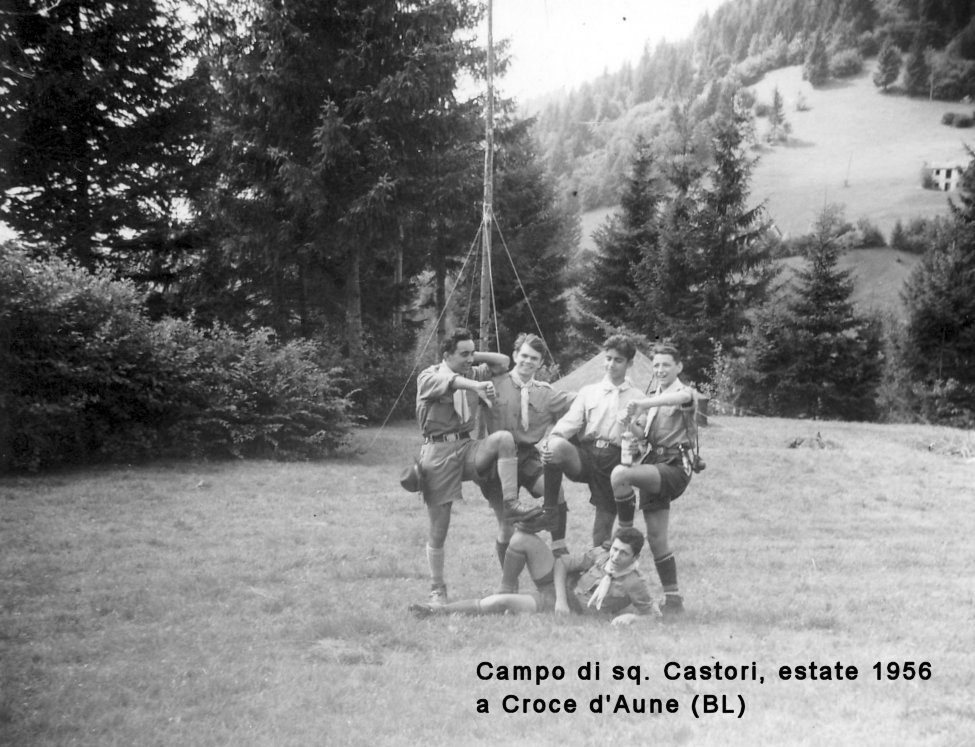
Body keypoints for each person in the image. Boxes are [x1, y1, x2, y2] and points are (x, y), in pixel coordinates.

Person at [414, 328, 542, 606]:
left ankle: (511, 502)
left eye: (472, 354)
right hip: (437, 451)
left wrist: (471, 355)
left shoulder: (472, 369)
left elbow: (503, 362)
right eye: (463, 354)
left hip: (466, 445)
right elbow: (449, 382)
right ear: (446, 354)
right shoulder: (429, 375)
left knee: (503, 440)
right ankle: (437, 588)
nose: (470, 359)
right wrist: (473, 385)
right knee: (440, 526)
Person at [408, 526, 659, 625]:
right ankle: (506, 587)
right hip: (559, 591)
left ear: (634, 557)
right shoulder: (601, 554)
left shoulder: (634, 582)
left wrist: (629, 618)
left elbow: (650, 616)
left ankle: (436, 611)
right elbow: (561, 563)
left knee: (498, 603)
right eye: (614, 549)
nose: (615, 557)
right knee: (520, 538)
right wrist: (560, 599)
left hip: (570, 606)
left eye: (623, 554)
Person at [532, 334, 646, 548]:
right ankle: (550, 510)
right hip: (585, 456)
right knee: (555, 446)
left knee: (600, 532)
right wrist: (551, 439)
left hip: (614, 462)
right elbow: (568, 423)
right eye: (608, 358)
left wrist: (632, 427)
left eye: (618, 360)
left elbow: (642, 441)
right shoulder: (589, 392)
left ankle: (598, 572)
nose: (611, 365)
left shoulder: (638, 397)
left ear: (629, 363)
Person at [610, 342, 696, 616]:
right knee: (657, 538)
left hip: (674, 467)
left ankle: (623, 533)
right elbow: (643, 436)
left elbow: (679, 401)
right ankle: (673, 601)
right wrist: (629, 423)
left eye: (666, 365)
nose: (659, 370)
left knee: (620, 474)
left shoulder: (684, 393)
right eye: (656, 365)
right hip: (653, 465)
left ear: (678, 367)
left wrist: (643, 403)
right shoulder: (654, 395)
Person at [476, 333, 575, 566]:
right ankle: (509, 583)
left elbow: (579, 402)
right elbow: (466, 367)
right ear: (514, 356)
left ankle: (559, 548)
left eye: (534, 358)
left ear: (541, 363)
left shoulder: (546, 393)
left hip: (527, 455)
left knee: (555, 490)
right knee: (506, 525)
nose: (528, 362)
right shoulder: (492, 382)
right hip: (498, 459)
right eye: (524, 356)